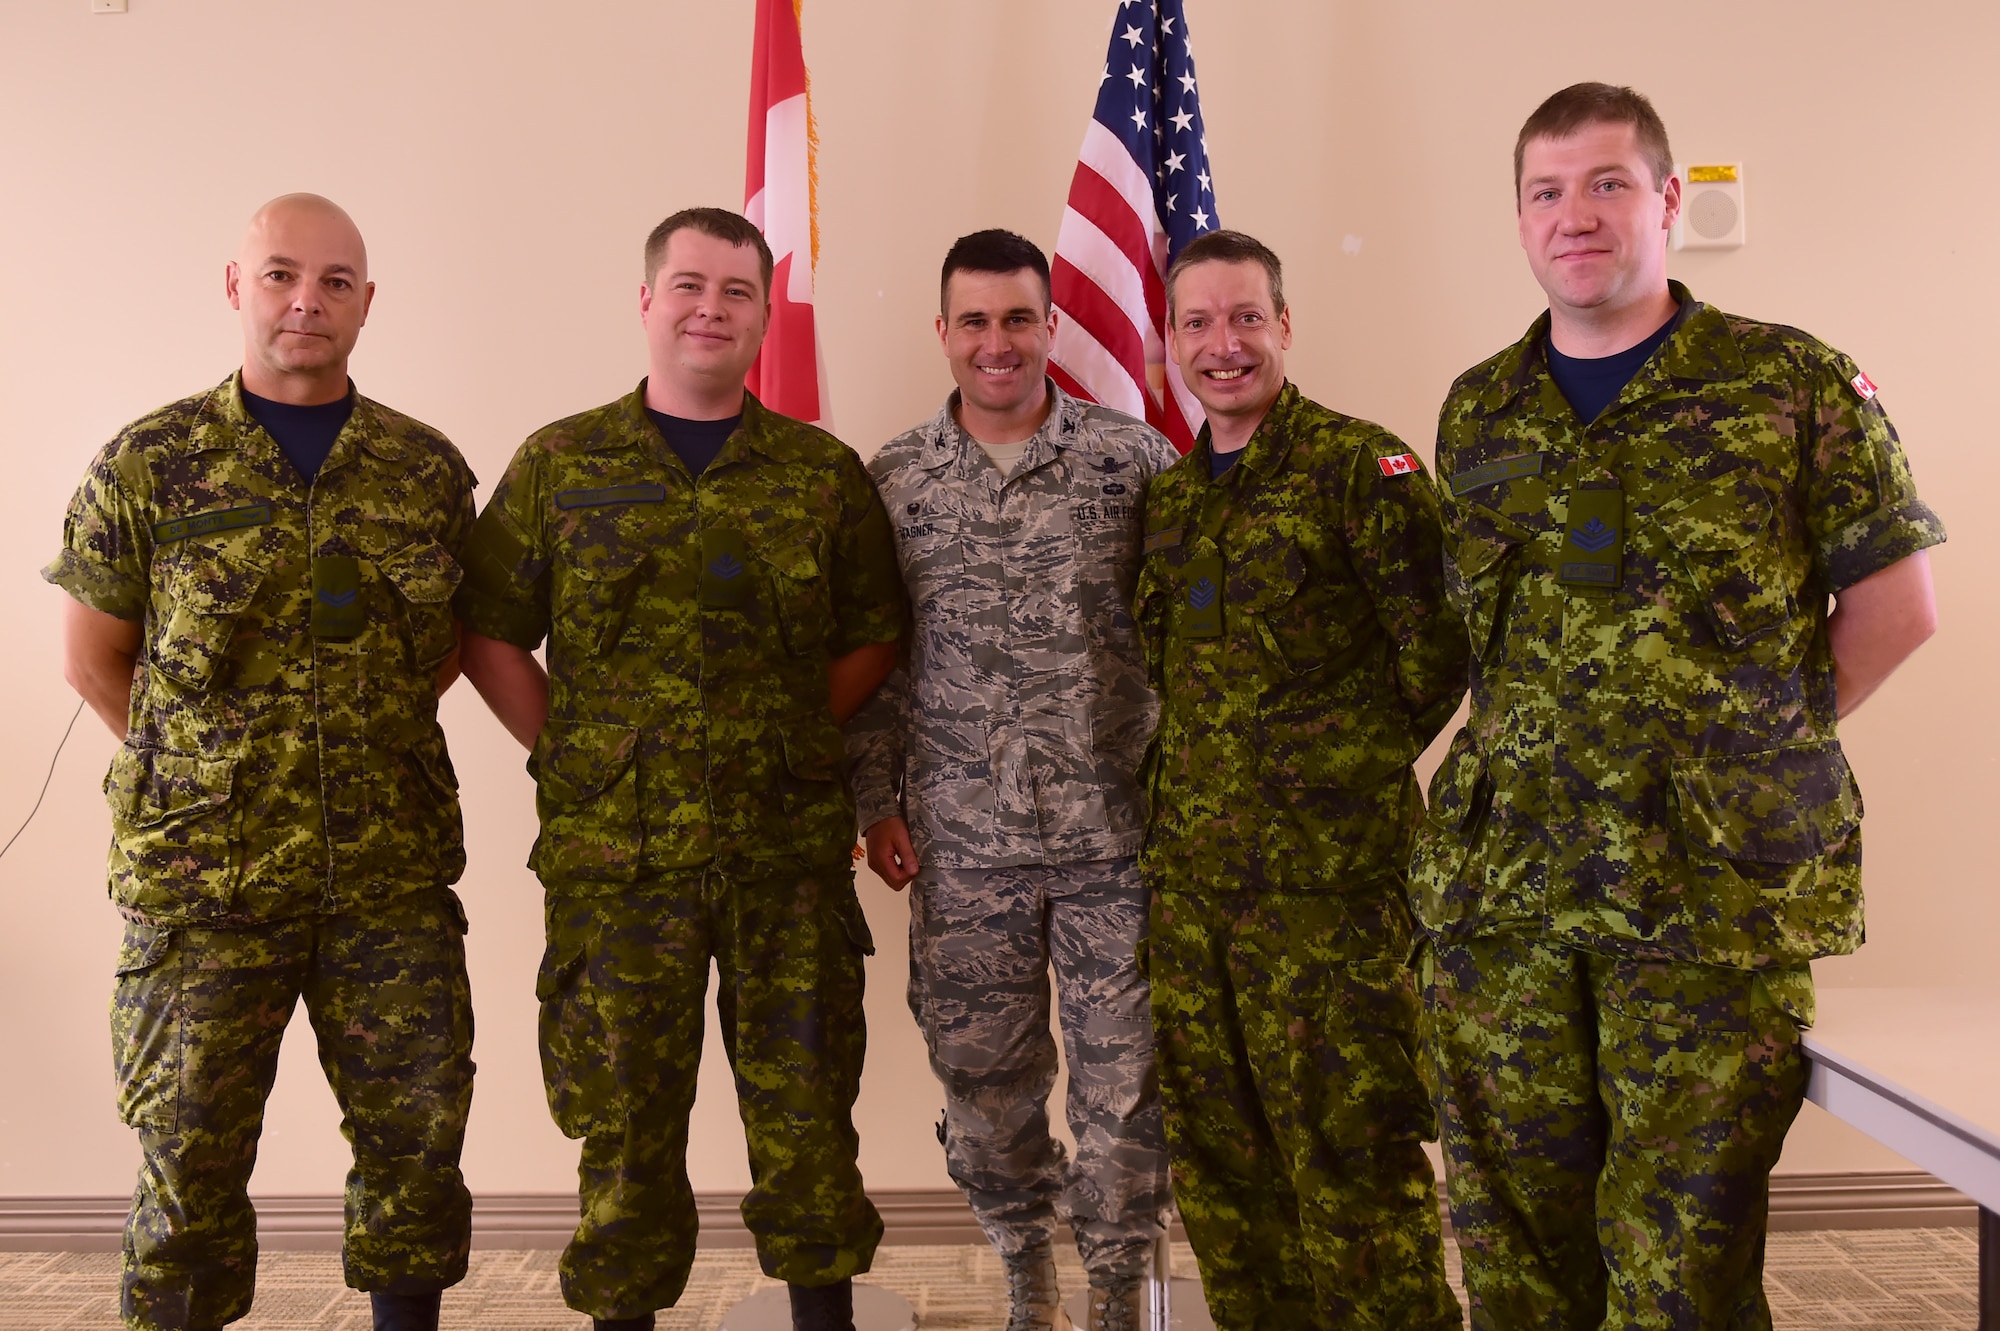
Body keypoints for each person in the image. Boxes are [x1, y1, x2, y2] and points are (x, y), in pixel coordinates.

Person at [1412, 83, 1944, 1330]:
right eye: (1544, 191)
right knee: (1512, 1251)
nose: (1573, 216)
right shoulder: (1477, 406)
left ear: (1663, 200)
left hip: (1703, 897)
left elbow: (1897, 604)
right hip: (1506, 896)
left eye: (1603, 184)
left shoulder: (1788, 381)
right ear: (1520, 216)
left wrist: (1752, 747)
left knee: (1679, 1264)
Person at [452, 207, 907, 1331]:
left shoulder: (817, 473)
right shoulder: (561, 463)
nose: (712, 308)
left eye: (737, 291)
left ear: (762, 315)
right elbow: (488, 628)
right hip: (621, 863)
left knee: (806, 1114)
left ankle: (820, 1316)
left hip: (784, 852)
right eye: (690, 286)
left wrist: (796, 732)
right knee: (624, 1121)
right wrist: (570, 749)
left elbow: (874, 628)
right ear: (646, 302)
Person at [45, 194, 479, 1331]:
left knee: (417, 1143)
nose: (307, 300)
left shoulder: (423, 471)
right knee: (187, 1156)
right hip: (203, 887)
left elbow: (432, 658)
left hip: (386, 875)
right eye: (282, 274)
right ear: (235, 288)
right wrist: (215, 781)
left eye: (336, 281)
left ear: (366, 303)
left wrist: (347, 749)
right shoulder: (148, 464)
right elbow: (98, 663)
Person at [1134, 229, 1468, 1330]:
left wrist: (1317, 782)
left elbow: (1435, 657)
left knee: (1353, 1162)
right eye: (1196, 322)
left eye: (1242, 318)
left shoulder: (1358, 470)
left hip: (1328, 898)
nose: (1220, 345)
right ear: (1168, 339)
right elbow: (1166, 673)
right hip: (1193, 897)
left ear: (1283, 325)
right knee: (1224, 1170)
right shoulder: (1172, 504)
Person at [847, 230, 1179, 1331]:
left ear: (1050, 326)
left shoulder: (1129, 462)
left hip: (1113, 841)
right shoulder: (890, 480)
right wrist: (874, 799)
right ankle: (1024, 1260)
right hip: (960, 841)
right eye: (975, 321)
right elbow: (874, 655)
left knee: (1125, 1091)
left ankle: (1119, 1283)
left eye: (1019, 318)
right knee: (984, 1088)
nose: (998, 343)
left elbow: (1185, 641)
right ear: (942, 333)